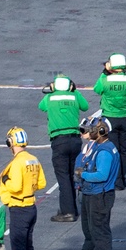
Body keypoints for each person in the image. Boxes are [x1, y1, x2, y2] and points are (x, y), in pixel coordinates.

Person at [0, 127, 47, 250]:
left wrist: (5, 180)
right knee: (28, 248)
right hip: (31, 206)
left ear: (11, 142)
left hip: (19, 208)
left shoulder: (17, 162)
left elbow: (16, 186)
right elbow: (42, 183)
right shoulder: (33, 159)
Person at [71, 116, 119, 250]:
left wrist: (83, 174)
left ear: (101, 132)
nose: (89, 133)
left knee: (99, 229)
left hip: (100, 195)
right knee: (89, 226)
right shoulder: (99, 146)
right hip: (91, 193)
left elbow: (101, 175)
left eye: (92, 130)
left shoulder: (104, 152)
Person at [38, 74, 88, 222]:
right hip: (75, 140)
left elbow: (41, 107)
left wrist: (52, 91)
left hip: (59, 141)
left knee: (63, 178)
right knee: (73, 174)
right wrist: (74, 91)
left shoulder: (50, 98)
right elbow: (85, 106)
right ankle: (74, 208)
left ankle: (68, 212)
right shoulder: (74, 96)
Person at [93, 54, 126, 190]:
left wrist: (104, 73)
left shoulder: (105, 81)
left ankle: (113, 179)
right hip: (124, 117)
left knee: (111, 150)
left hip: (109, 118)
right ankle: (121, 180)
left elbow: (97, 89)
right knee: (123, 150)